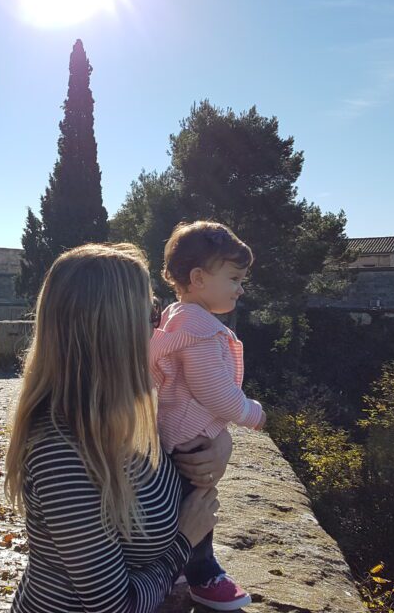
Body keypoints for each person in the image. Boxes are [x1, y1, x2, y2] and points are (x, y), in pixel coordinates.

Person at [6, 243, 232, 613]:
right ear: (116, 332)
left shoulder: (133, 413)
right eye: (151, 314)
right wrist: (185, 540)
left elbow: (195, 428)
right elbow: (115, 606)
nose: (157, 328)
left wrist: (222, 445)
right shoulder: (62, 454)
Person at [150, 221, 265, 610]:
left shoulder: (177, 317)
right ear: (198, 278)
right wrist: (254, 415)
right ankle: (202, 573)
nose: (240, 287)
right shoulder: (198, 329)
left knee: (180, 504)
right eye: (233, 278)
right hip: (188, 435)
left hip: (177, 431)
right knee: (197, 505)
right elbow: (214, 392)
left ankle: (181, 568)